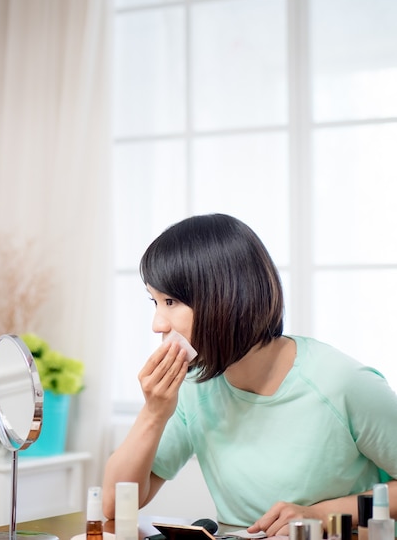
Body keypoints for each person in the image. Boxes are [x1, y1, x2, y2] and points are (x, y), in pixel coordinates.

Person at [102, 213, 397, 535]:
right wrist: (153, 414)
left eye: (170, 301)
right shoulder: (194, 384)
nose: (158, 324)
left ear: (224, 297)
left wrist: (318, 514)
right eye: (154, 302)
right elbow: (116, 506)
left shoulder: (342, 382)